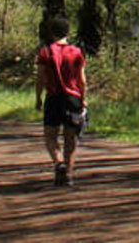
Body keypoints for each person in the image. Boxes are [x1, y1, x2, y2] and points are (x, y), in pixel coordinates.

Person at [35, 15, 87, 187]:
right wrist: (83, 99)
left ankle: (59, 163)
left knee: (50, 136)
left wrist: (38, 98)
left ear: (51, 32)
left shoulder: (46, 52)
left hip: (53, 98)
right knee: (70, 138)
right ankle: (69, 175)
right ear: (68, 32)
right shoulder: (77, 52)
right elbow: (82, 80)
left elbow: (40, 78)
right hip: (73, 99)